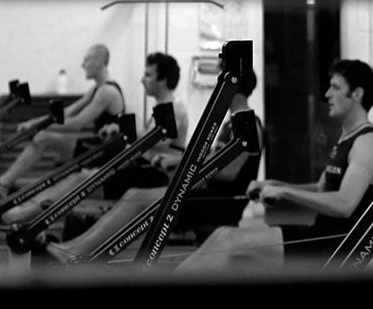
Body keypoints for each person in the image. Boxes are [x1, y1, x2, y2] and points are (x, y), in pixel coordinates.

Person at [177, 59, 373, 271]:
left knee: (228, 241)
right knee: (223, 236)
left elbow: (344, 205)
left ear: (357, 94)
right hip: (321, 235)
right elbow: (320, 188)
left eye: (335, 88)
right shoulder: (348, 138)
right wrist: (274, 184)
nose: (327, 94)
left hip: (337, 248)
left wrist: (285, 192)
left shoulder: (367, 143)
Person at [45, 61, 260, 263]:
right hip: (204, 192)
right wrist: (179, 159)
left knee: (138, 198)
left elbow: (228, 172)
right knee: (133, 196)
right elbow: (212, 159)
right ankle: (73, 248)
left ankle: (75, 251)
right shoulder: (231, 123)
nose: (217, 84)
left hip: (221, 201)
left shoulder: (249, 124)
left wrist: (182, 162)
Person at [0, 52, 188, 227]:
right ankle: (23, 212)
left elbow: (158, 140)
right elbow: (148, 136)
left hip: (155, 176)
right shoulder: (162, 107)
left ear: (162, 80)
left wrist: (125, 129)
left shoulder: (174, 109)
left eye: (147, 75)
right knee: (78, 177)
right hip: (139, 168)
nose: (141, 80)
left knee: (81, 179)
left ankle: (20, 212)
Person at [0, 44, 125, 196]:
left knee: (42, 138)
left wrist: (40, 127)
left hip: (107, 152)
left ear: (98, 63)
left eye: (86, 60)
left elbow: (77, 123)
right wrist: (33, 123)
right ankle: (4, 182)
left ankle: (3, 184)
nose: (82, 65)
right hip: (98, 145)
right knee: (41, 137)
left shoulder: (107, 91)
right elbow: (66, 112)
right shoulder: (96, 89)